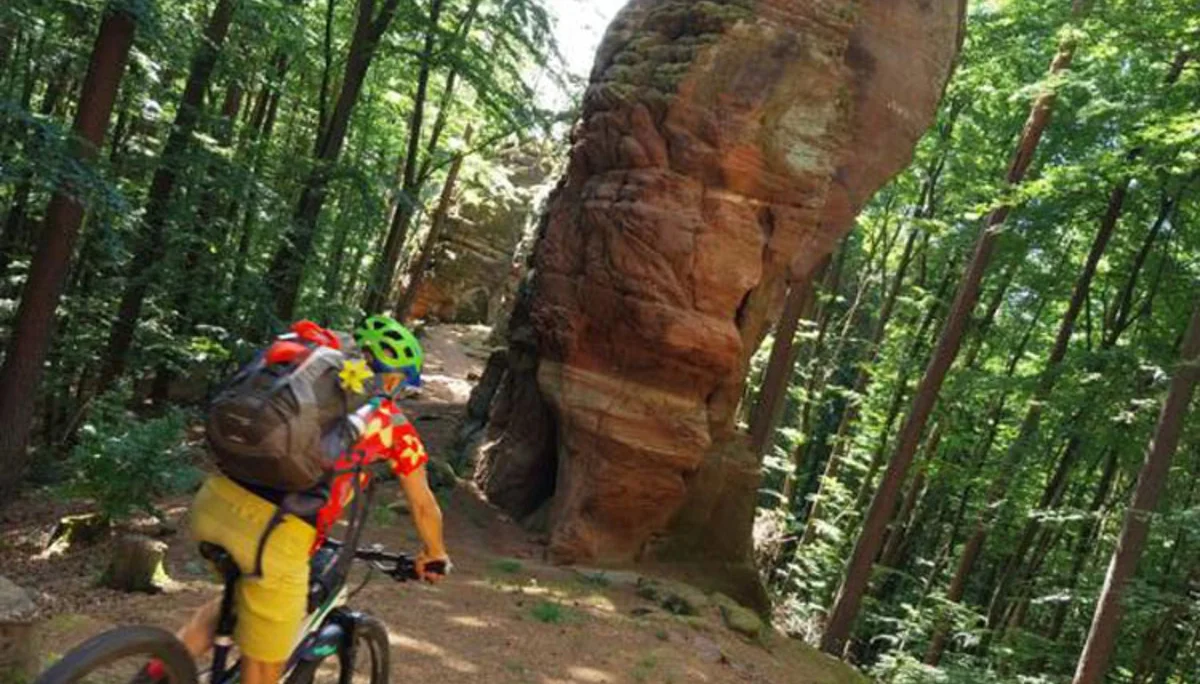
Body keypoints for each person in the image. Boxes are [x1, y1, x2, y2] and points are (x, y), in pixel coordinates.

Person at [148, 315, 450, 684]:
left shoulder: (304, 383)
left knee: (232, 604)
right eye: (402, 384)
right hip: (274, 535)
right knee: (265, 669)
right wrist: (434, 554)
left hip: (213, 501)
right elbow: (422, 504)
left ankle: (151, 677)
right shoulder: (391, 424)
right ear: (394, 378)